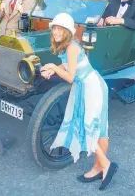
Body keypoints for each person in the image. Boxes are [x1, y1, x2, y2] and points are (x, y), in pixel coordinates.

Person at [40, 13, 118, 191]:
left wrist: (52, 67)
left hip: (92, 87)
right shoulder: (65, 47)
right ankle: (99, 167)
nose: (56, 32)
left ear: (68, 32)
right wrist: (54, 69)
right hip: (87, 85)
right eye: (55, 28)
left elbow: (69, 77)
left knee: (89, 126)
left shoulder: (71, 47)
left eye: (60, 29)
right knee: (98, 128)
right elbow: (67, 66)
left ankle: (105, 165)